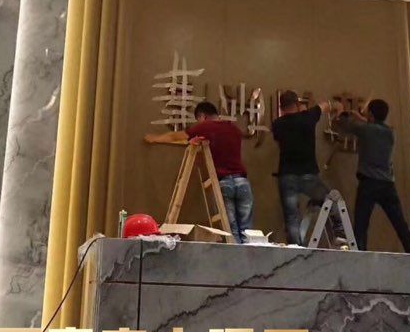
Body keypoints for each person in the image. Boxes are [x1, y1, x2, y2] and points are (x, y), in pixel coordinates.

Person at [145, 102, 253, 243]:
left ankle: (236, 257)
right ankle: (250, 257)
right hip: (242, 182)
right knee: (247, 231)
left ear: (202, 116)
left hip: (224, 183)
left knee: (231, 231)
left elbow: (176, 137)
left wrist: (154, 138)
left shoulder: (205, 127)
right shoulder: (234, 128)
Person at [336, 98, 410, 253]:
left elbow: (346, 125)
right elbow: (374, 126)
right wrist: (363, 119)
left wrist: (341, 111)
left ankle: (360, 255)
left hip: (368, 183)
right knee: (399, 223)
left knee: (361, 224)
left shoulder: (366, 130)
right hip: (388, 184)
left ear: (371, 114)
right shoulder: (390, 133)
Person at [271, 90, 343, 245]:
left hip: (287, 175)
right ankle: (339, 230)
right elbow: (326, 106)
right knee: (330, 200)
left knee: (291, 217)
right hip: (309, 174)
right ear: (297, 104)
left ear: (281, 107)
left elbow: (279, 142)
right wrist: (339, 107)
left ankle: (295, 248)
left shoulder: (277, 124)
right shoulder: (308, 117)